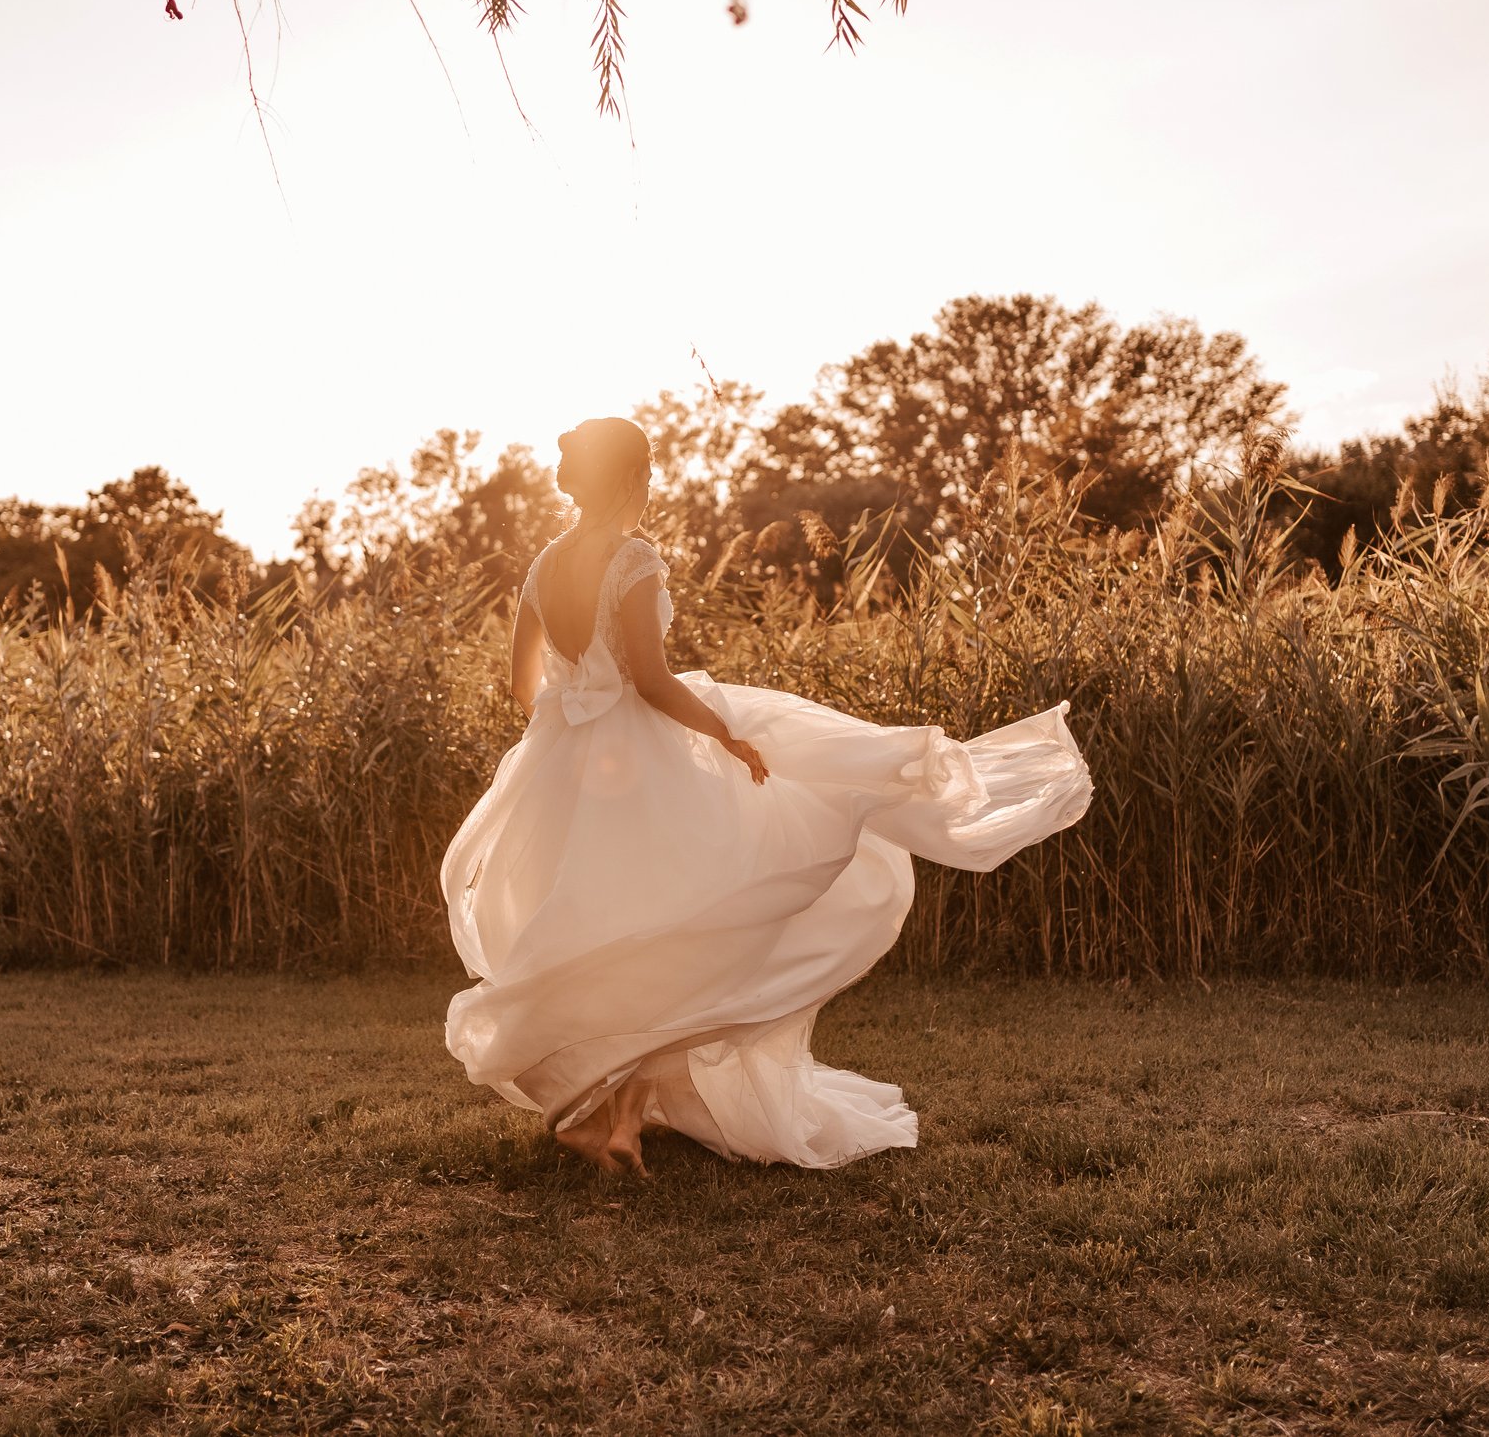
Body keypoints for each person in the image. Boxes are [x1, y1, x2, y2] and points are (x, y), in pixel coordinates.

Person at [440, 416, 1091, 1171]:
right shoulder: (634, 560)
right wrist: (723, 733)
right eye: (646, 473)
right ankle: (614, 1120)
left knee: (618, 929)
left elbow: (523, 685)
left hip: (564, 761)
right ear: (630, 479)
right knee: (686, 926)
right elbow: (651, 681)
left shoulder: (544, 564)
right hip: (641, 758)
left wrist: (569, 725)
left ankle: (610, 1114)